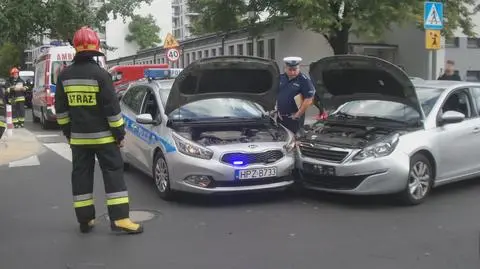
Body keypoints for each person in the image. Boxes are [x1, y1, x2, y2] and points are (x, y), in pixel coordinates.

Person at [54, 26, 143, 234]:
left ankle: (85, 220)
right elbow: (112, 111)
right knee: (113, 175)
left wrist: (69, 134)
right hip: (105, 140)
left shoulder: (64, 76)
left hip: (78, 140)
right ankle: (120, 219)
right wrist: (119, 135)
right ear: (96, 48)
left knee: (81, 176)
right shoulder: (101, 75)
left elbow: (61, 111)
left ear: (75, 48)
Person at [276, 56, 316, 133]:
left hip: (294, 118)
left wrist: (298, 114)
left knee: (295, 139)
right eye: (290, 70)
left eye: (295, 70)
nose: (292, 72)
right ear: (285, 68)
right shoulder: (281, 78)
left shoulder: (304, 80)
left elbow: (308, 99)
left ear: (299, 68)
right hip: (280, 117)